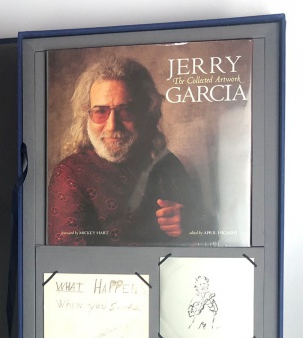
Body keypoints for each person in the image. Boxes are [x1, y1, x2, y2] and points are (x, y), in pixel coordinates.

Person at [47, 56, 213, 246]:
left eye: (126, 110)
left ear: (146, 113)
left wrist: (191, 226)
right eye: (100, 111)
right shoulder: (70, 173)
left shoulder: (168, 164)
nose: (112, 126)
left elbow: (211, 234)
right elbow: (68, 257)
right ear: (87, 116)